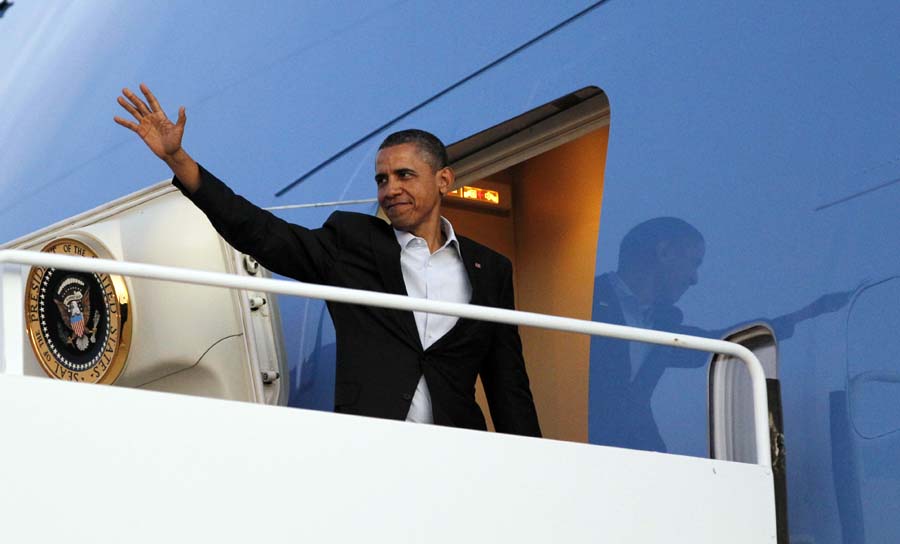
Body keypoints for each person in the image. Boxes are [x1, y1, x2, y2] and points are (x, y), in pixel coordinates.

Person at [115, 84, 541, 437]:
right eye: (381, 179)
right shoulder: (352, 243)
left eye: (404, 175)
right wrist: (180, 161)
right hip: (371, 448)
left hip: (461, 455)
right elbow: (260, 233)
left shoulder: (491, 269)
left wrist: (535, 474)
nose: (390, 189)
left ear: (443, 179)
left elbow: (508, 386)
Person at [589, 217, 853, 451]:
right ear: (664, 252)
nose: (694, 279)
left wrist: (805, 314)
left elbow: (719, 342)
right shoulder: (581, 303)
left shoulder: (660, 324)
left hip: (637, 460)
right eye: (694, 263)